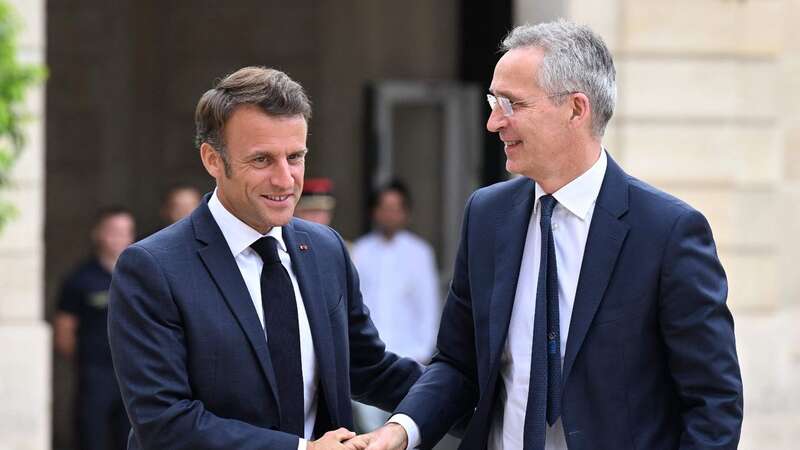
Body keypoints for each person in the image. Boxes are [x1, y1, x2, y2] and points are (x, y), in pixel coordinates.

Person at [356, 20, 743, 450]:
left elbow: (713, 402)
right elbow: (458, 364)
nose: (492, 122)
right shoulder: (487, 215)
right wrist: (400, 431)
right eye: (492, 101)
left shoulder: (667, 231)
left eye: (512, 104)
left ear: (577, 109)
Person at [107, 66, 421, 450]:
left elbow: (371, 368)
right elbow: (165, 423)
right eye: (262, 160)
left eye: (295, 156)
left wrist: (479, 402)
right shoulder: (152, 269)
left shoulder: (326, 251)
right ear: (212, 160)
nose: (285, 179)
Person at [349, 181, 441, 433]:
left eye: (396, 208)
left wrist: (423, 352)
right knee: (370, 432)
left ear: (406, 212)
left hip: (409, 358)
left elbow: (428, 306)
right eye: (384, 207)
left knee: (404, 431)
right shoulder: (360, 250)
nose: (390, 214)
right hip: (370, 360)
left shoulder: (419, 252)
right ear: (374, 212)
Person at [54, 206, 135, 450]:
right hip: (95, 374)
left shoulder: (143, 275)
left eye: (124, 232)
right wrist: (87, 360)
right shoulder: (79, 279)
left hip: (134, 374)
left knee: (132, 438)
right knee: (92, 436)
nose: (118, 237)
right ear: (98, 233)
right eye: (112, 231)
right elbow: (64, 333)